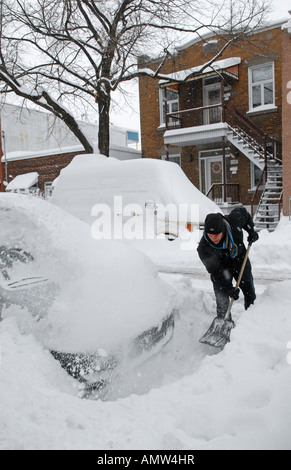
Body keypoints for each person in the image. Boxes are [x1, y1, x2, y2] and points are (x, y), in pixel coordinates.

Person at [197, 207, 259, 321]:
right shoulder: (204, 249)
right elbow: (216, 272)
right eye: (210, 235)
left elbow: (244, 213)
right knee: (221, 296)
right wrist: (228, 288)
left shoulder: (234, 221)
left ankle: (252, 321)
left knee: (249, 291)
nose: (213, 239)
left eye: (216, 235)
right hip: (221, 267)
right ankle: (224, 321)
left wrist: (251, 230)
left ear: (223, 229)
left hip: (239, 259)